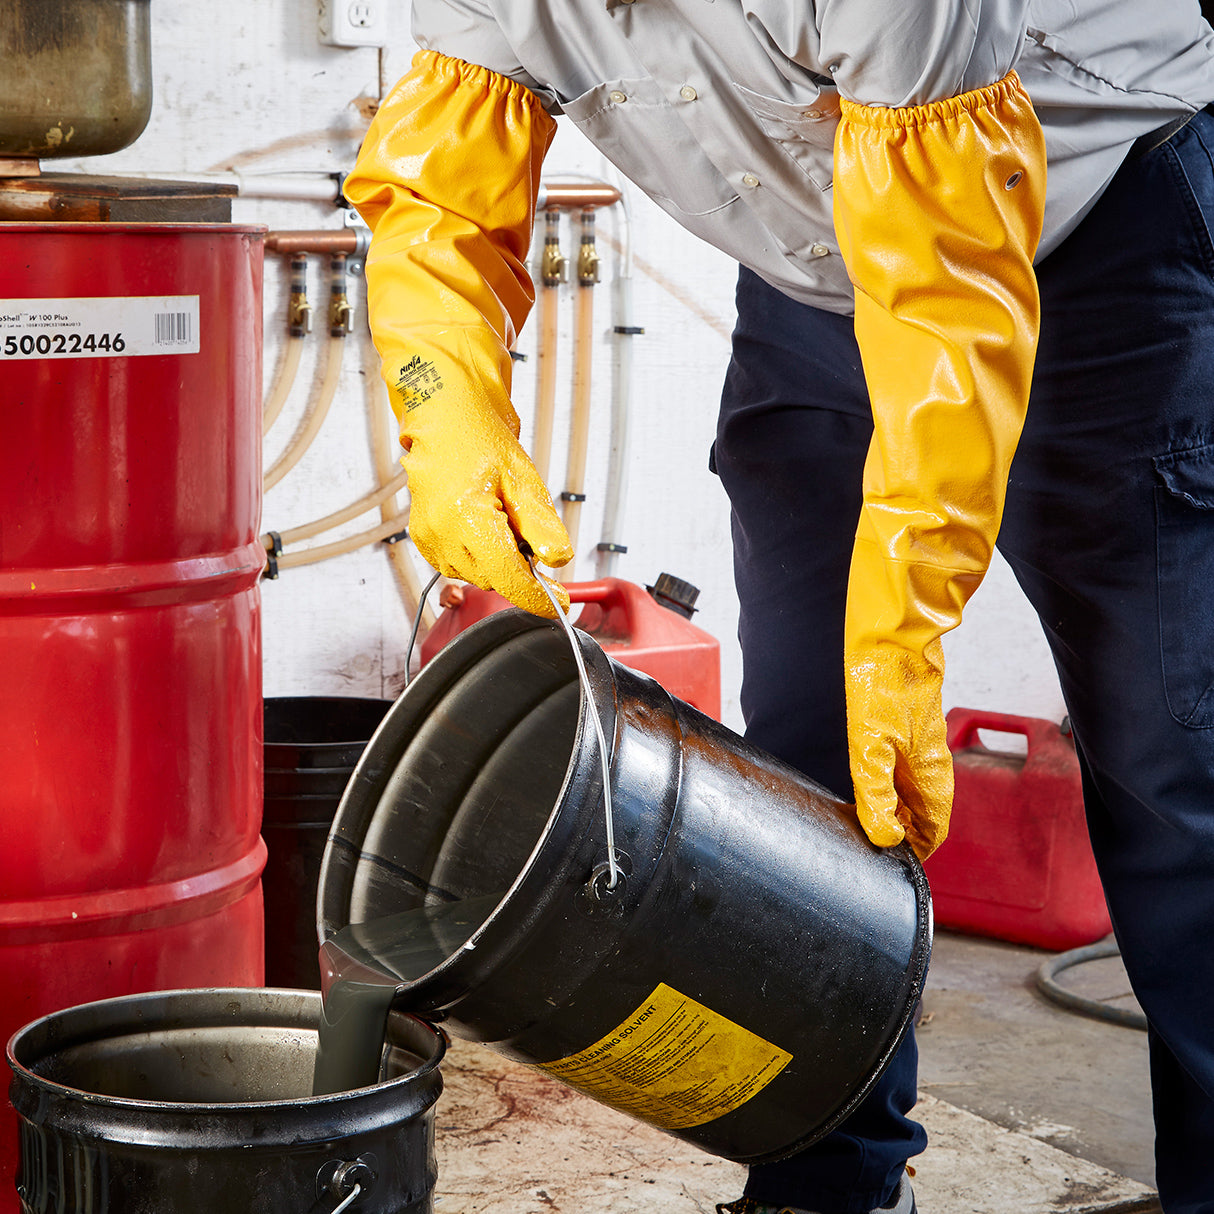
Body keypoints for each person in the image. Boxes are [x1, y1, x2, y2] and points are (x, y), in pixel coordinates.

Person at [343, 2, 1214, 1210]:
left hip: (1090, 228)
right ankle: (830, 1183)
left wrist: (905, 621)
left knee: (1173, 775)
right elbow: (440, 182)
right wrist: (447, 405)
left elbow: (943, 284)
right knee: (801, 773)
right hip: (813, 279)